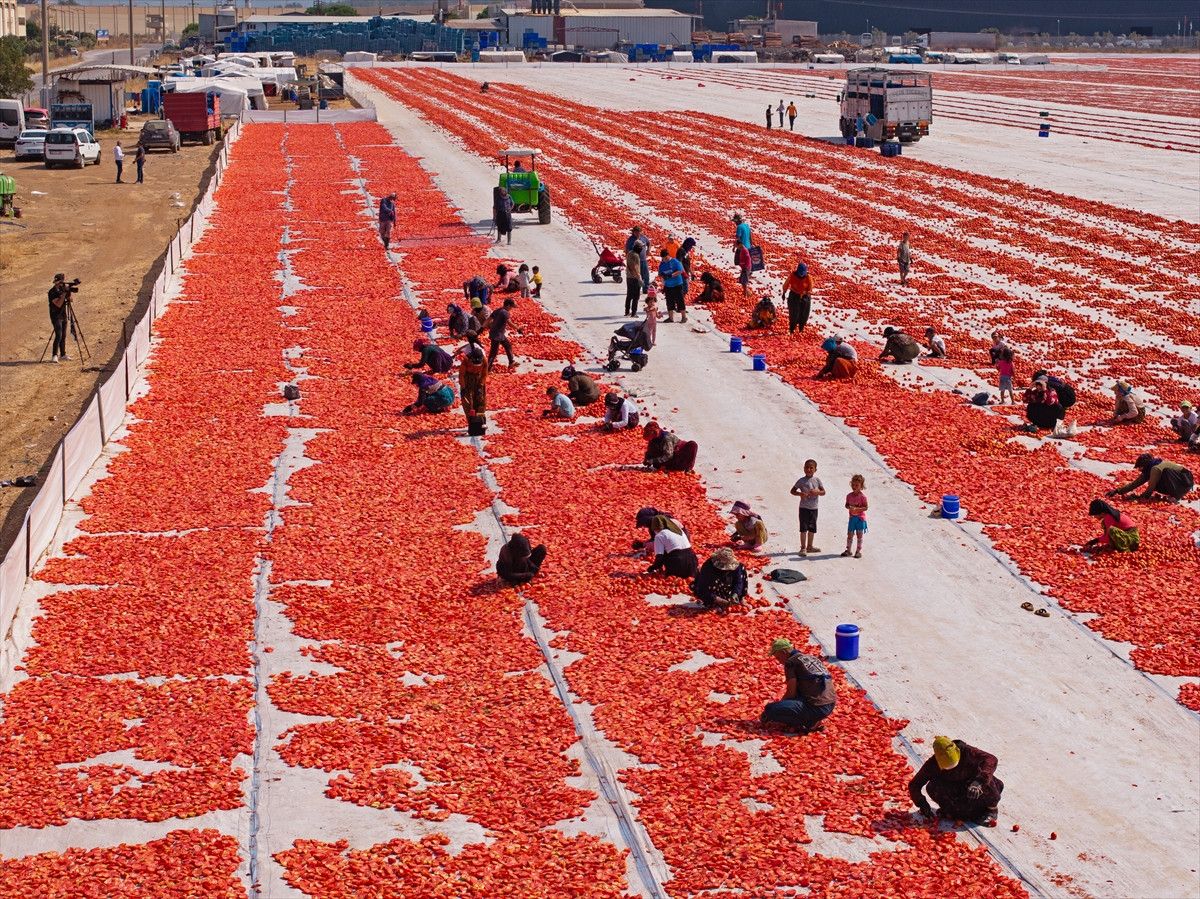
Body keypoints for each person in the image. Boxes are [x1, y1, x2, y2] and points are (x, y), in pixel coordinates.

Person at [910, 737, 1003, 826]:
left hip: (974, 786)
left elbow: (991, 759)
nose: (951, 768)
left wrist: (978, 782)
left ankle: (991, 809)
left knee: (986, 777)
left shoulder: (968, 752)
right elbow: (914, 784)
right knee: (932, 787)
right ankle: (957, 812)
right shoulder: (933, 764)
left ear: (957, 752)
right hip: (956, 790)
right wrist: (922, 803)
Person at [761, 638, 837, 733]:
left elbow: (791, 693)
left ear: (784, 652)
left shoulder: (791, 662)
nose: (779, 661)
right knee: (790, 702)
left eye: (778, 658)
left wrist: (779, 707)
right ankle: (812, 718)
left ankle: (810, 722)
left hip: (817, 707)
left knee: (770, 709)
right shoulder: (811, 657)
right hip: (831, 703)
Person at [1108, 454, 1195, 502]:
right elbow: (1136, 483)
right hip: (1179, 482)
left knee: (1165, 472)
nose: (1140, 469)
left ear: (1144, 465)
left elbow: (1151, 486)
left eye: (1140, 467)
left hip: (1185, 481)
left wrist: (1141, 497)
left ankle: (1176, 496)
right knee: (1158, 481)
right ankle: (1175, 493)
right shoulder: (1149, 468)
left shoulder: (1155, 468)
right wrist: (1117, 491)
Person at [790, 458, 824, 556]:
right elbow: (792, 491)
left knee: (812, 528)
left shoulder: (817, 480)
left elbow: (823, 492)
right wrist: (800, 494)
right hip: (804, 508)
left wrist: (817, 492)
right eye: (807, 467)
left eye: (811, 468)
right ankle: (803, 547)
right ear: (804, 468)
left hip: (814, 508)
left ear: (815, 470)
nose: (809, 469)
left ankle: (810, 546)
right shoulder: (801, 481)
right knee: (803, 528)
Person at [458, 343, 488, 432]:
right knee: (468, 402)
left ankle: (480, 420)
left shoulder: (484, 360)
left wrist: (481, 385)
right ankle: (471, 422)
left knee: (480, 400)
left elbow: (484, 374)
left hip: (478, 380)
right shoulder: (466, 360)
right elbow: (461, 375)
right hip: (468, 381)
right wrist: (463, 388)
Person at [47, 273, 73, 362]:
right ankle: (54, 355)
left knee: (64, 335)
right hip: (55, 315)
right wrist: (63, 294)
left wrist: (68, 293)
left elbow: (70, 300)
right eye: (58, 282)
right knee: (58, 335)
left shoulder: (62, 290)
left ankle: (63, 354)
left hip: (63, 314)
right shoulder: (52, 292)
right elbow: (58, 304)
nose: (58, 284)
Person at [658, 248, 688, 323]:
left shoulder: (675, 261)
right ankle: (671, 318)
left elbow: (680, 270)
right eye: (663, 258)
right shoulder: (662, 264)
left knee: (680, 301)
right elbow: (660, 273)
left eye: (665, 258)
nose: (664, 260)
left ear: (668, 255)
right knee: (669, 302)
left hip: (677, 284)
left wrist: (671, 275)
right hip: (668, 286)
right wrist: (663, 279)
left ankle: (684, 317)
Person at [782, 263, 812, 335]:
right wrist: (784, 292)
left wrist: (806, 293)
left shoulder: (808, 277)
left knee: (804, 313)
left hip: (805, 297)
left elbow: (810, 287)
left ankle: (801, 329)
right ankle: (792, 329)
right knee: (794, 313)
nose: (801, 275)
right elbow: (786, 284)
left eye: (803, 273)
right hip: (794, 296)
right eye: (800, 273)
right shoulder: (792, 275)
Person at [487, 298, 517, 370]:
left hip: (496, 333)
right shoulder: (505, 313)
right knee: (493, 352)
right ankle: (487, 368)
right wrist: (518, 328)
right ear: (508, 305)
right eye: (511, 307)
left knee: (508, 346)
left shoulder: (497, 311)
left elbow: (488, 320)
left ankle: (511, 362)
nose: (511, 309)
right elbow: (510, 323)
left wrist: (482, 327)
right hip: (497, 335)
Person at [842, 474, 867, 558]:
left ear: (861, 486)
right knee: (850, 534)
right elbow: (846, 505)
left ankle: (858, 551)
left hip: (860, 519)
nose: (854, 486)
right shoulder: (849, 496)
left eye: (856, 485)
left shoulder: (863, 497)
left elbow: (866, 507)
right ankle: (848, 550)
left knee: (859, 535)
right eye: (853, 484)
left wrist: (857, 509)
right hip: (852, 518)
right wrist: (849, 507)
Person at [625, 225, 649, 291]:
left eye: (638, 232)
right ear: (633, 232)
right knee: (636, 274)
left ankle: (645, 289)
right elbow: (627, 249)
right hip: (635, 260)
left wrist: (648, 250)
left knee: (646, 274)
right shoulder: (630, 239)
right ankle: (636, 288)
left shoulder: (643, 238)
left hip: (643, 259)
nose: (637, 233)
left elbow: (649, 243)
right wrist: (628, 258)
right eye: (636, 232)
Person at [625, 243, 642, 316]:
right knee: (636, 296)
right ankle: (634, 312)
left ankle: (627, 311)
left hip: (628, 277)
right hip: (635, 277)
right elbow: (634, 267)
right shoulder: (636, 256)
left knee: (629, 295)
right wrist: (638, 276)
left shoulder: (629, 253)